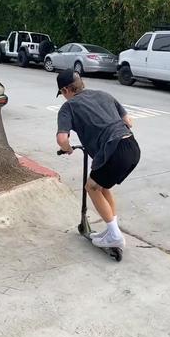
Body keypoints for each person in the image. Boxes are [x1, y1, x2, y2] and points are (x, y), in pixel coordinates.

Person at [56, 69, 140, 249]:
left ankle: (115, 235)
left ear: (65, 90)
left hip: (113, 151)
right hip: (132, 147)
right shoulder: (103, 94)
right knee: (102, 186)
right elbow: (129, 122)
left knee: (91, 187)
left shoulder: (68, 107)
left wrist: (68, 149)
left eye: (62, 94)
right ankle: (112, 230)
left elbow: (62, 139)